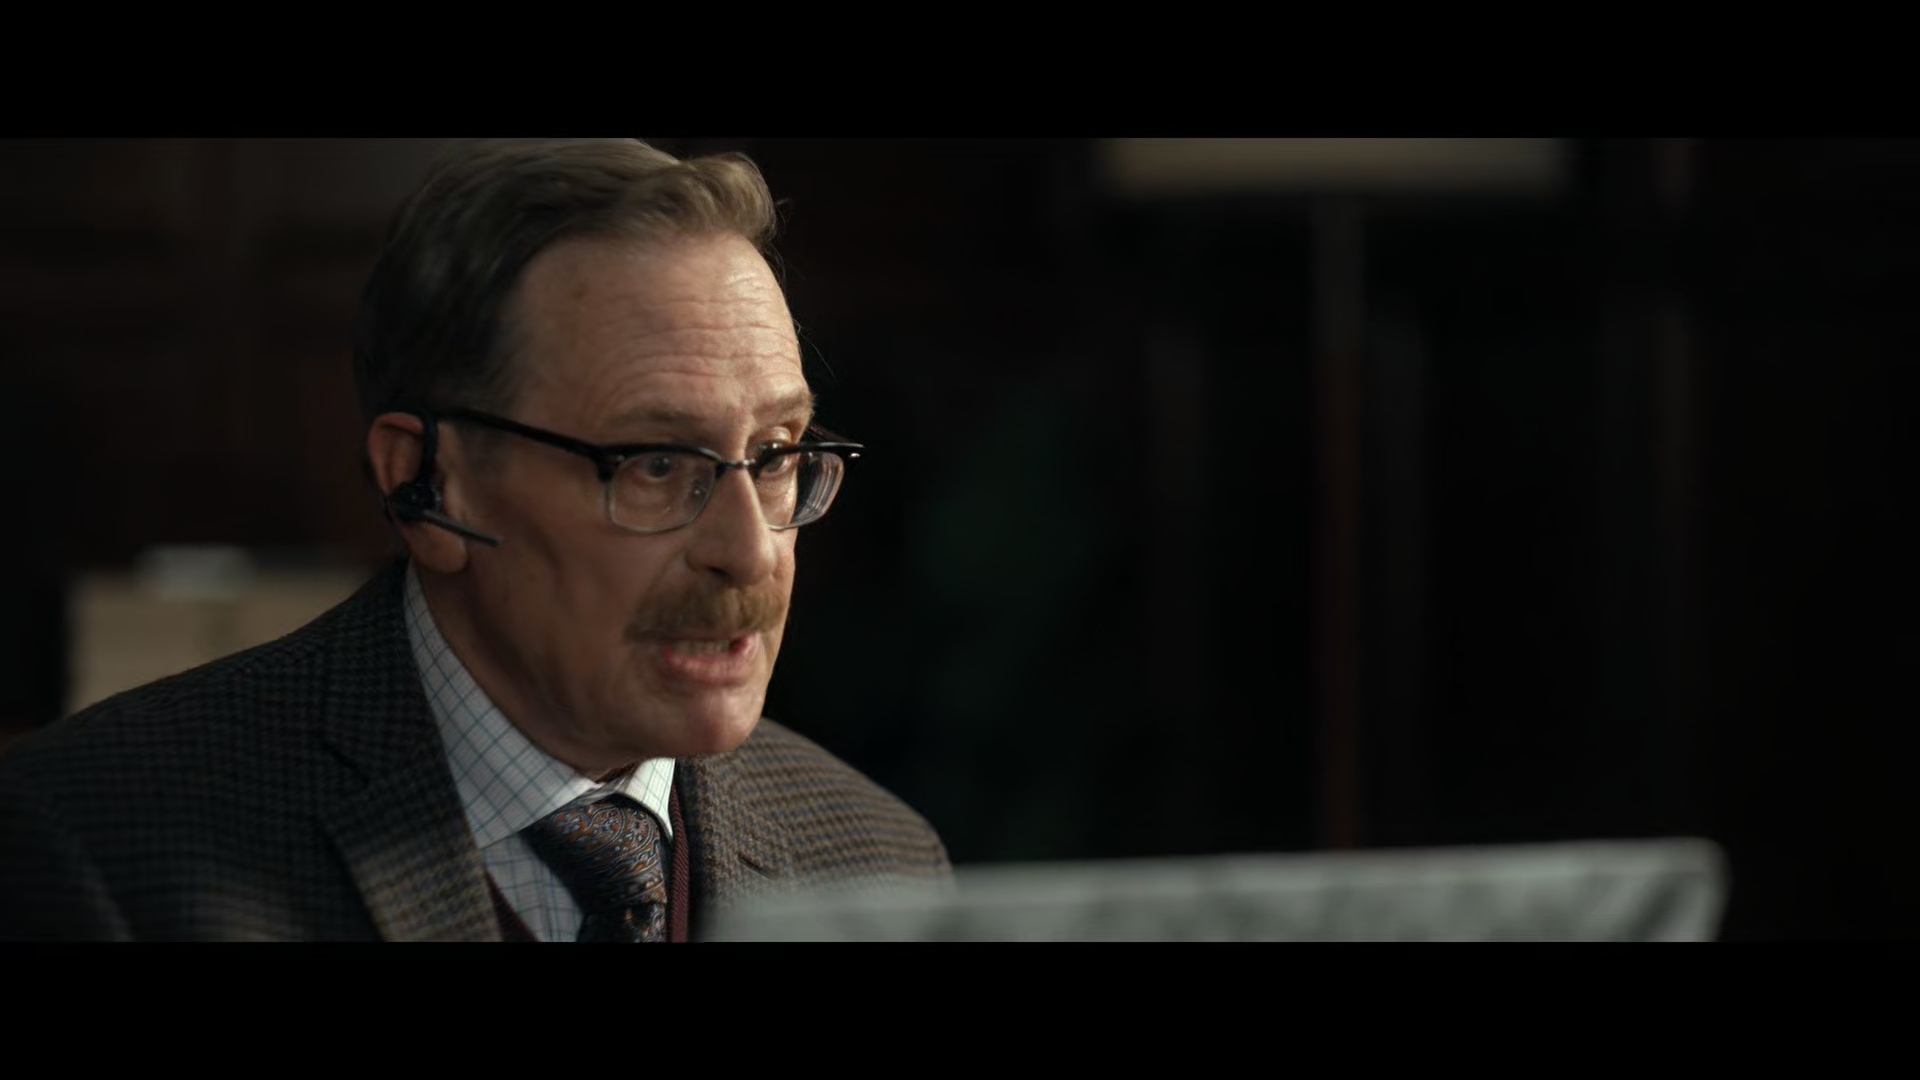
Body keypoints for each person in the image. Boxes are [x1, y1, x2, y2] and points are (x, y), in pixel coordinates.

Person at [0, 138, 952, 941]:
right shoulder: (98, 849)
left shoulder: (877, 860)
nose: (749, 553)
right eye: (657, 464)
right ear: (425, 485)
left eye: (776, 454)